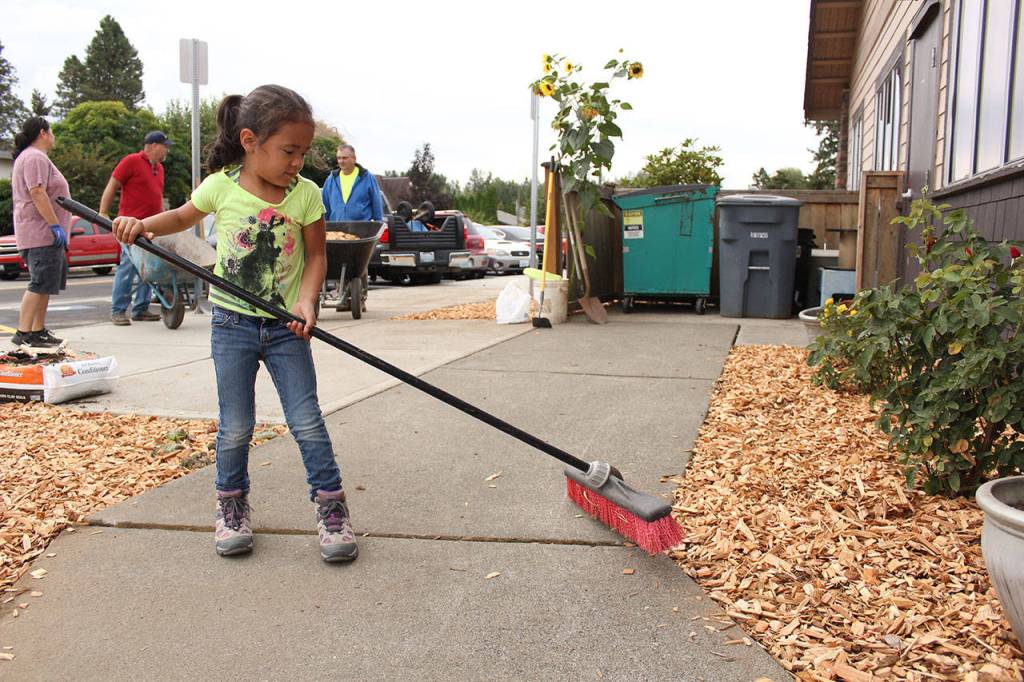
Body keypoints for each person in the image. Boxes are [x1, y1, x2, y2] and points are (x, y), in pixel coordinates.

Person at [111, 85, 356, 563]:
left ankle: (331, 508)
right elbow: (181, 217)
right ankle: (231, 506)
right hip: (232, 325)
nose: (297, 163)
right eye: (289, 151)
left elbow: (317, 255)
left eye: (303, 153)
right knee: (237, 425)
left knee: (307, 422)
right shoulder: (221, 186)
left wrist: (307, 302)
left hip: (287, 329)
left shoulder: (305, 195)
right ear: (249, 141)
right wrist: (140, 225)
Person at [9, 117, 70, 353]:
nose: (53, 136)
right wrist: (54, 224)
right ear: (43, 133)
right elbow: (37, 191)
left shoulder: (33, 157)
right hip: (40, 233)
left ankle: (37, 331)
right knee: (39, 282)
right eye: (51, 131)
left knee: (46, 284)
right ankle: (24, 333)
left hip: (42, 233)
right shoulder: (34, 157)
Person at [100, 131, 172, 325]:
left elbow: (157, 197)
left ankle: (140, 308)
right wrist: (103, 212)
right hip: (129, 226)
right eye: (163, 145)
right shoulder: (131, 161)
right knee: (128, 267)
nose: (166, 149)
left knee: (147, 269)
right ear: (150, 146)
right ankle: (118, 310)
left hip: (149, 227)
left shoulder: (160, 168)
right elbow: (112, 184)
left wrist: (164, 219)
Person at [321, 144, 383, 221]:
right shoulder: (331, 180)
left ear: (354, 158)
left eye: (344, 158)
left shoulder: (368, 178)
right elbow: (324, 207)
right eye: (339, 158)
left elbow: (377, 206)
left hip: (362, 230)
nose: (341, 161)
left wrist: (379, 223)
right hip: (336, 230)